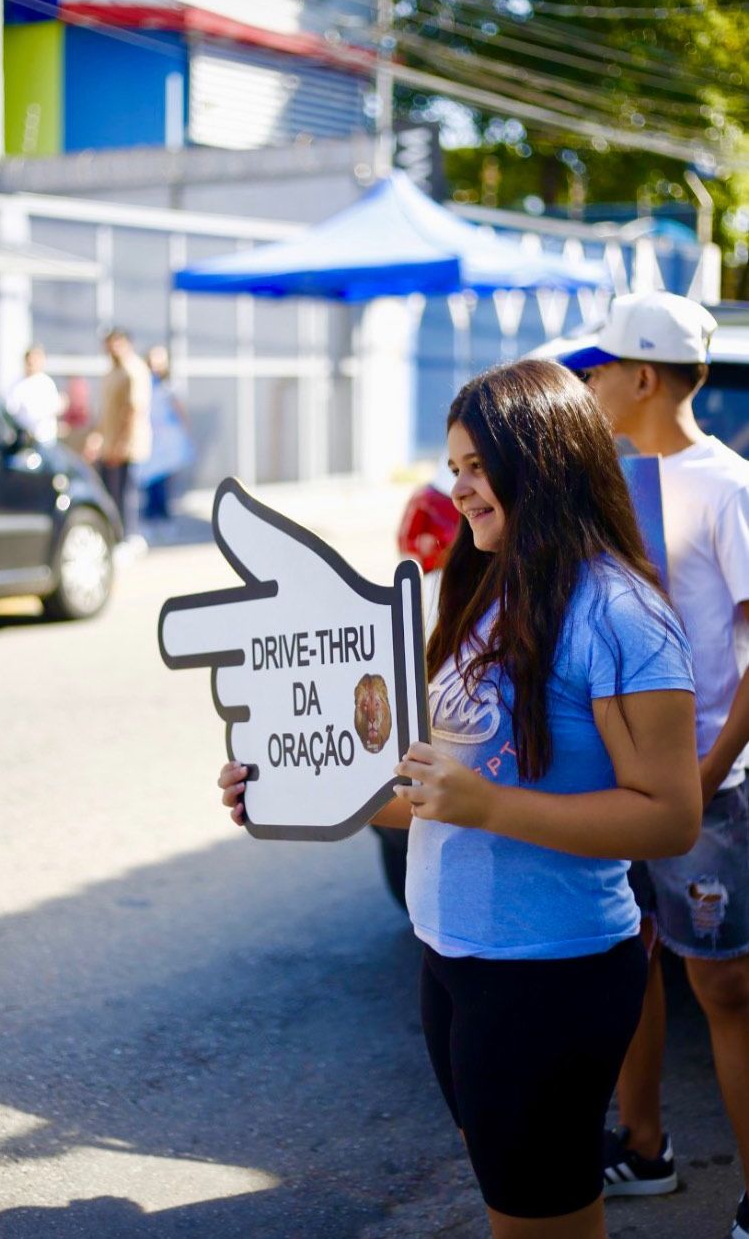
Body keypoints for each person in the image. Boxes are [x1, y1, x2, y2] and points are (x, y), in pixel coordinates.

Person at [219, 358, 702, 1239]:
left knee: (539, 1219)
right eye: (453, 468)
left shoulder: (623, 613)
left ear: (544, 459)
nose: (460, 488)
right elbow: (430, 795)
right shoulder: (486, 593)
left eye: (478, 466)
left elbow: (671, 816)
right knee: (517, 1202)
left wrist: (487, 806)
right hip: (452, 961)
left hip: (551, 976)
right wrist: (290, 792)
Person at [559, 291, 749, 1239]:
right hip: (620, 780)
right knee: (630, 964)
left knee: (722, 986)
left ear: (642, 376)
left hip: (714, 784)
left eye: (596, 370)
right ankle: (645, 1148)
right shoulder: (608, 485)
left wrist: (708, 772)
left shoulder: (728, 487)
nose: (585, 384)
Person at [84, 328, 152, 541]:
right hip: (109, 444)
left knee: (126, 496)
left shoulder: (134, 371)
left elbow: (134, 410)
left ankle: (129, 537)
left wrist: (121, 444)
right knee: (111, 494)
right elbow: (105, 412)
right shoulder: (111, 372)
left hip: (127, 447)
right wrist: (97, 438)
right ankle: (115, 535)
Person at [136, 345, 194, 521]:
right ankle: (152, 511)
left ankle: (161, 513)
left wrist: (187, 433)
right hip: (149, 436)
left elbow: (180, 411)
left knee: (162, 477)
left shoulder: (170, 386)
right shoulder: (144, 382)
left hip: (167, 438)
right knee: (149, 476)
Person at [5, 344, 64, 444]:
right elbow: (10, 410)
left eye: (35, 360)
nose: (31, 364)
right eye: (29, 361)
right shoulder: (17, 384)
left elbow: (54, 407)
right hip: (24, 438)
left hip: (44, 439)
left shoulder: (47, 383)